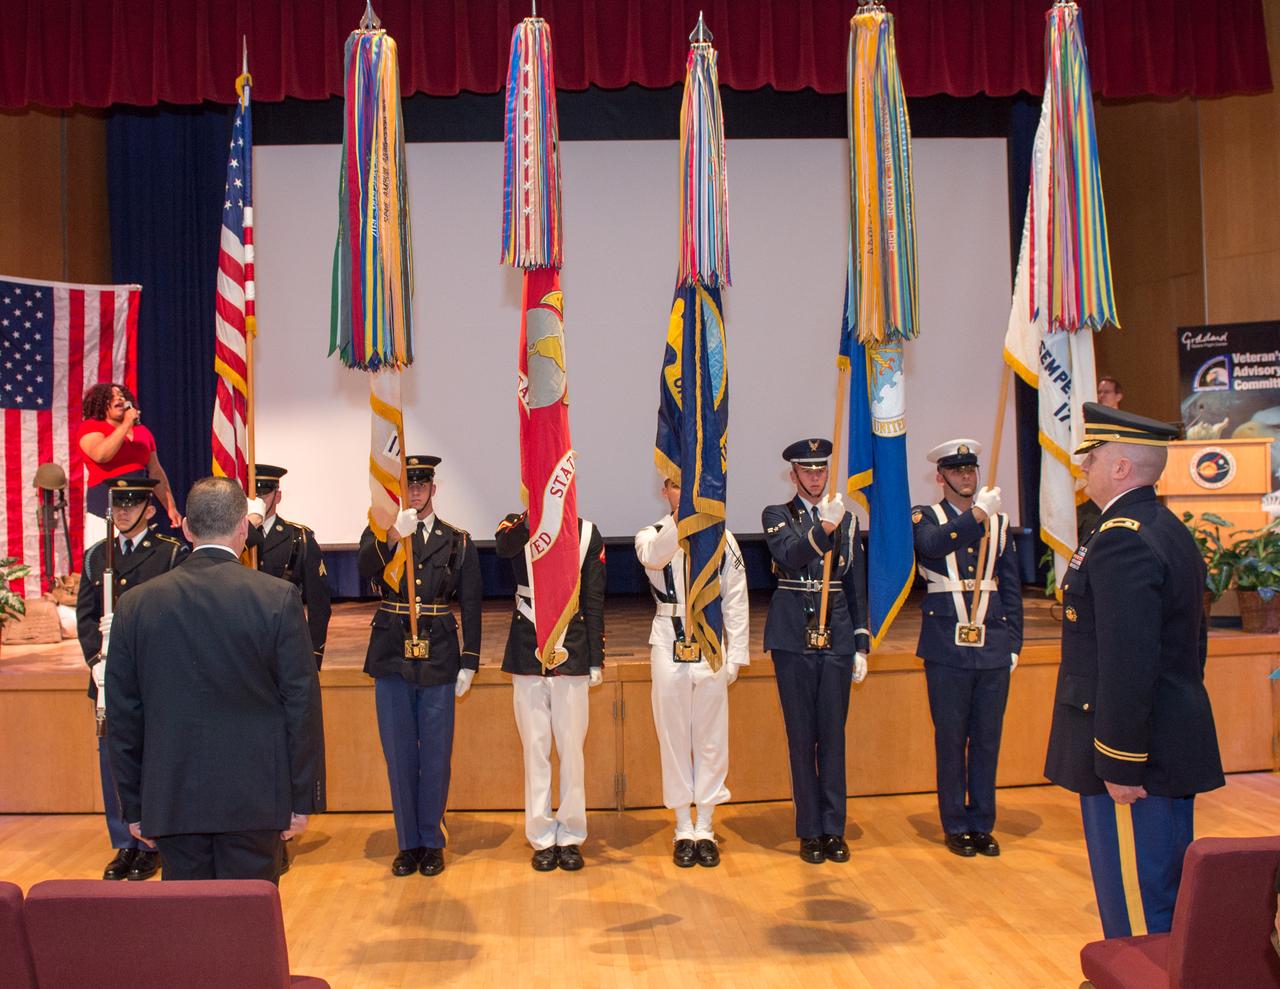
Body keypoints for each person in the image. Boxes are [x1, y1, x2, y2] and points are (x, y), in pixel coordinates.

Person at [1045, 403, 1224, 939]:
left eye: (1092, 457)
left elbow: (1128, 659)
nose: (1083, 467)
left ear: (1121, 467)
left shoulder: (1122, 535)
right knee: (1164, 883)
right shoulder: (1162, 525)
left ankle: (1138, 971)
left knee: (1141, 892)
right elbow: (1190, 644)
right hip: (1159, 734)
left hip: (1130, 755)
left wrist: (1120, 761)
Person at [105, 476, 325, 883]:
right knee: (249, 926)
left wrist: (134, 806)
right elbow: (301, 704)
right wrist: (302, 798)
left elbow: (123, 715)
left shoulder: (136, 604)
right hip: (256, 798)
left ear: (186, 527)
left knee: (188, 932)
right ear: (244, 526)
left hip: (171, 798)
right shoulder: (276, 597)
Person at [358, 455, 481, 879]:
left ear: (434, 488)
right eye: (408, 485)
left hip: (439, 651)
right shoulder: (383, 533)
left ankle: (432, 841)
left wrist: (470, 660)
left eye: (422, 485)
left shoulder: (456, 540)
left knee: (436, 755)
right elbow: (362, 570)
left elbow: (471, 604)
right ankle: (406, 842)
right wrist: (394, 536)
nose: (414, 492)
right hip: (392, 649)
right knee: (398, 755)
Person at [75, 473, 188, 882]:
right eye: (118, 504)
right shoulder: (96, 556)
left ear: (150, 509)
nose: (123, 511)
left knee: (153, 757)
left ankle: (151, 841)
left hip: (153, 675)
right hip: (108, 676)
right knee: (114, 762)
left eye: (132, 504)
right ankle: (124, 842)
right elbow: (85, 615)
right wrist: (95, 659)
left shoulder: (171, 555)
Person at [913, 439, 1022, 858]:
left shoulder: (1000, 521)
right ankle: (955, 822)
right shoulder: (926, 516)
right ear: (940, 477)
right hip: (946, 645)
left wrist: (1014, 642)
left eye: (971, 470)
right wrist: (977, 515)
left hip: (991, 640)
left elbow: (1009, 584)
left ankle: (983, 822)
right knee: (951, 738)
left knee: (987, 740)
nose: (966, 477)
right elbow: (932, 546)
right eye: (957, 471)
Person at [762, 438, 869, 864]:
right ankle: (809, 829)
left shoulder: (847, 518)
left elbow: (854, 583)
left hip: (837, 634)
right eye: (806, 471)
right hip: (792, 636)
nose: (814, 477)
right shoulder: (776, 515)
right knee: (802, 738)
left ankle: (833, 828)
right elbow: (789, 554)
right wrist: (822, 529)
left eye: (821, 470)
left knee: (833, 736)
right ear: (793, 475)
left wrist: (861, 641)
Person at [635, 477, 749, 868]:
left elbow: (735, 596)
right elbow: (655, 557)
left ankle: (706, 824)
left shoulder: (723, 538)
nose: (682, 493)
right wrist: (682, 518)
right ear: (664, 492)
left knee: (711, 737)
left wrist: (737, 654)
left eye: (690, 486)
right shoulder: (650, 534)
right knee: (673, 735)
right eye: (674, 486)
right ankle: (682, 825)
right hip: (669, 640)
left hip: (710, 643)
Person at [496, 509, 605, 872]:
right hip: (528, 646)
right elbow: (504, 548)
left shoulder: (587, 532)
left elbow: (593, 598)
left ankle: (572, 835)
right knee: (535, 750)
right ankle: (541, 836)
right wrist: (534, 519)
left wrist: (595, 659)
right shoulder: (515, 524)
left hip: (571, 646)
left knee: (572, 750)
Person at [244, 464, 332, 668]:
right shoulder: (235, 539)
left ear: (278, 495)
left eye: (264, 493)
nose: (257, 500)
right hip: (242, 644)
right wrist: (250, 527)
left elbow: (319, 604)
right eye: (251, 494)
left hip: (284, 644)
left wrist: (313, 655)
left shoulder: (298, 538)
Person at [76, 382, 180, 529]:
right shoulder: (91, 427)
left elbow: (155, 471)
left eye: (121, 396)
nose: (118, 398)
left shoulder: (143, 431)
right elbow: (101, 455)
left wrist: (170, 506)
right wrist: (126, 424)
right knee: (106, 550)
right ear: (100, 403)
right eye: (111, 397)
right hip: (105, 504)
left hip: (138, 505)